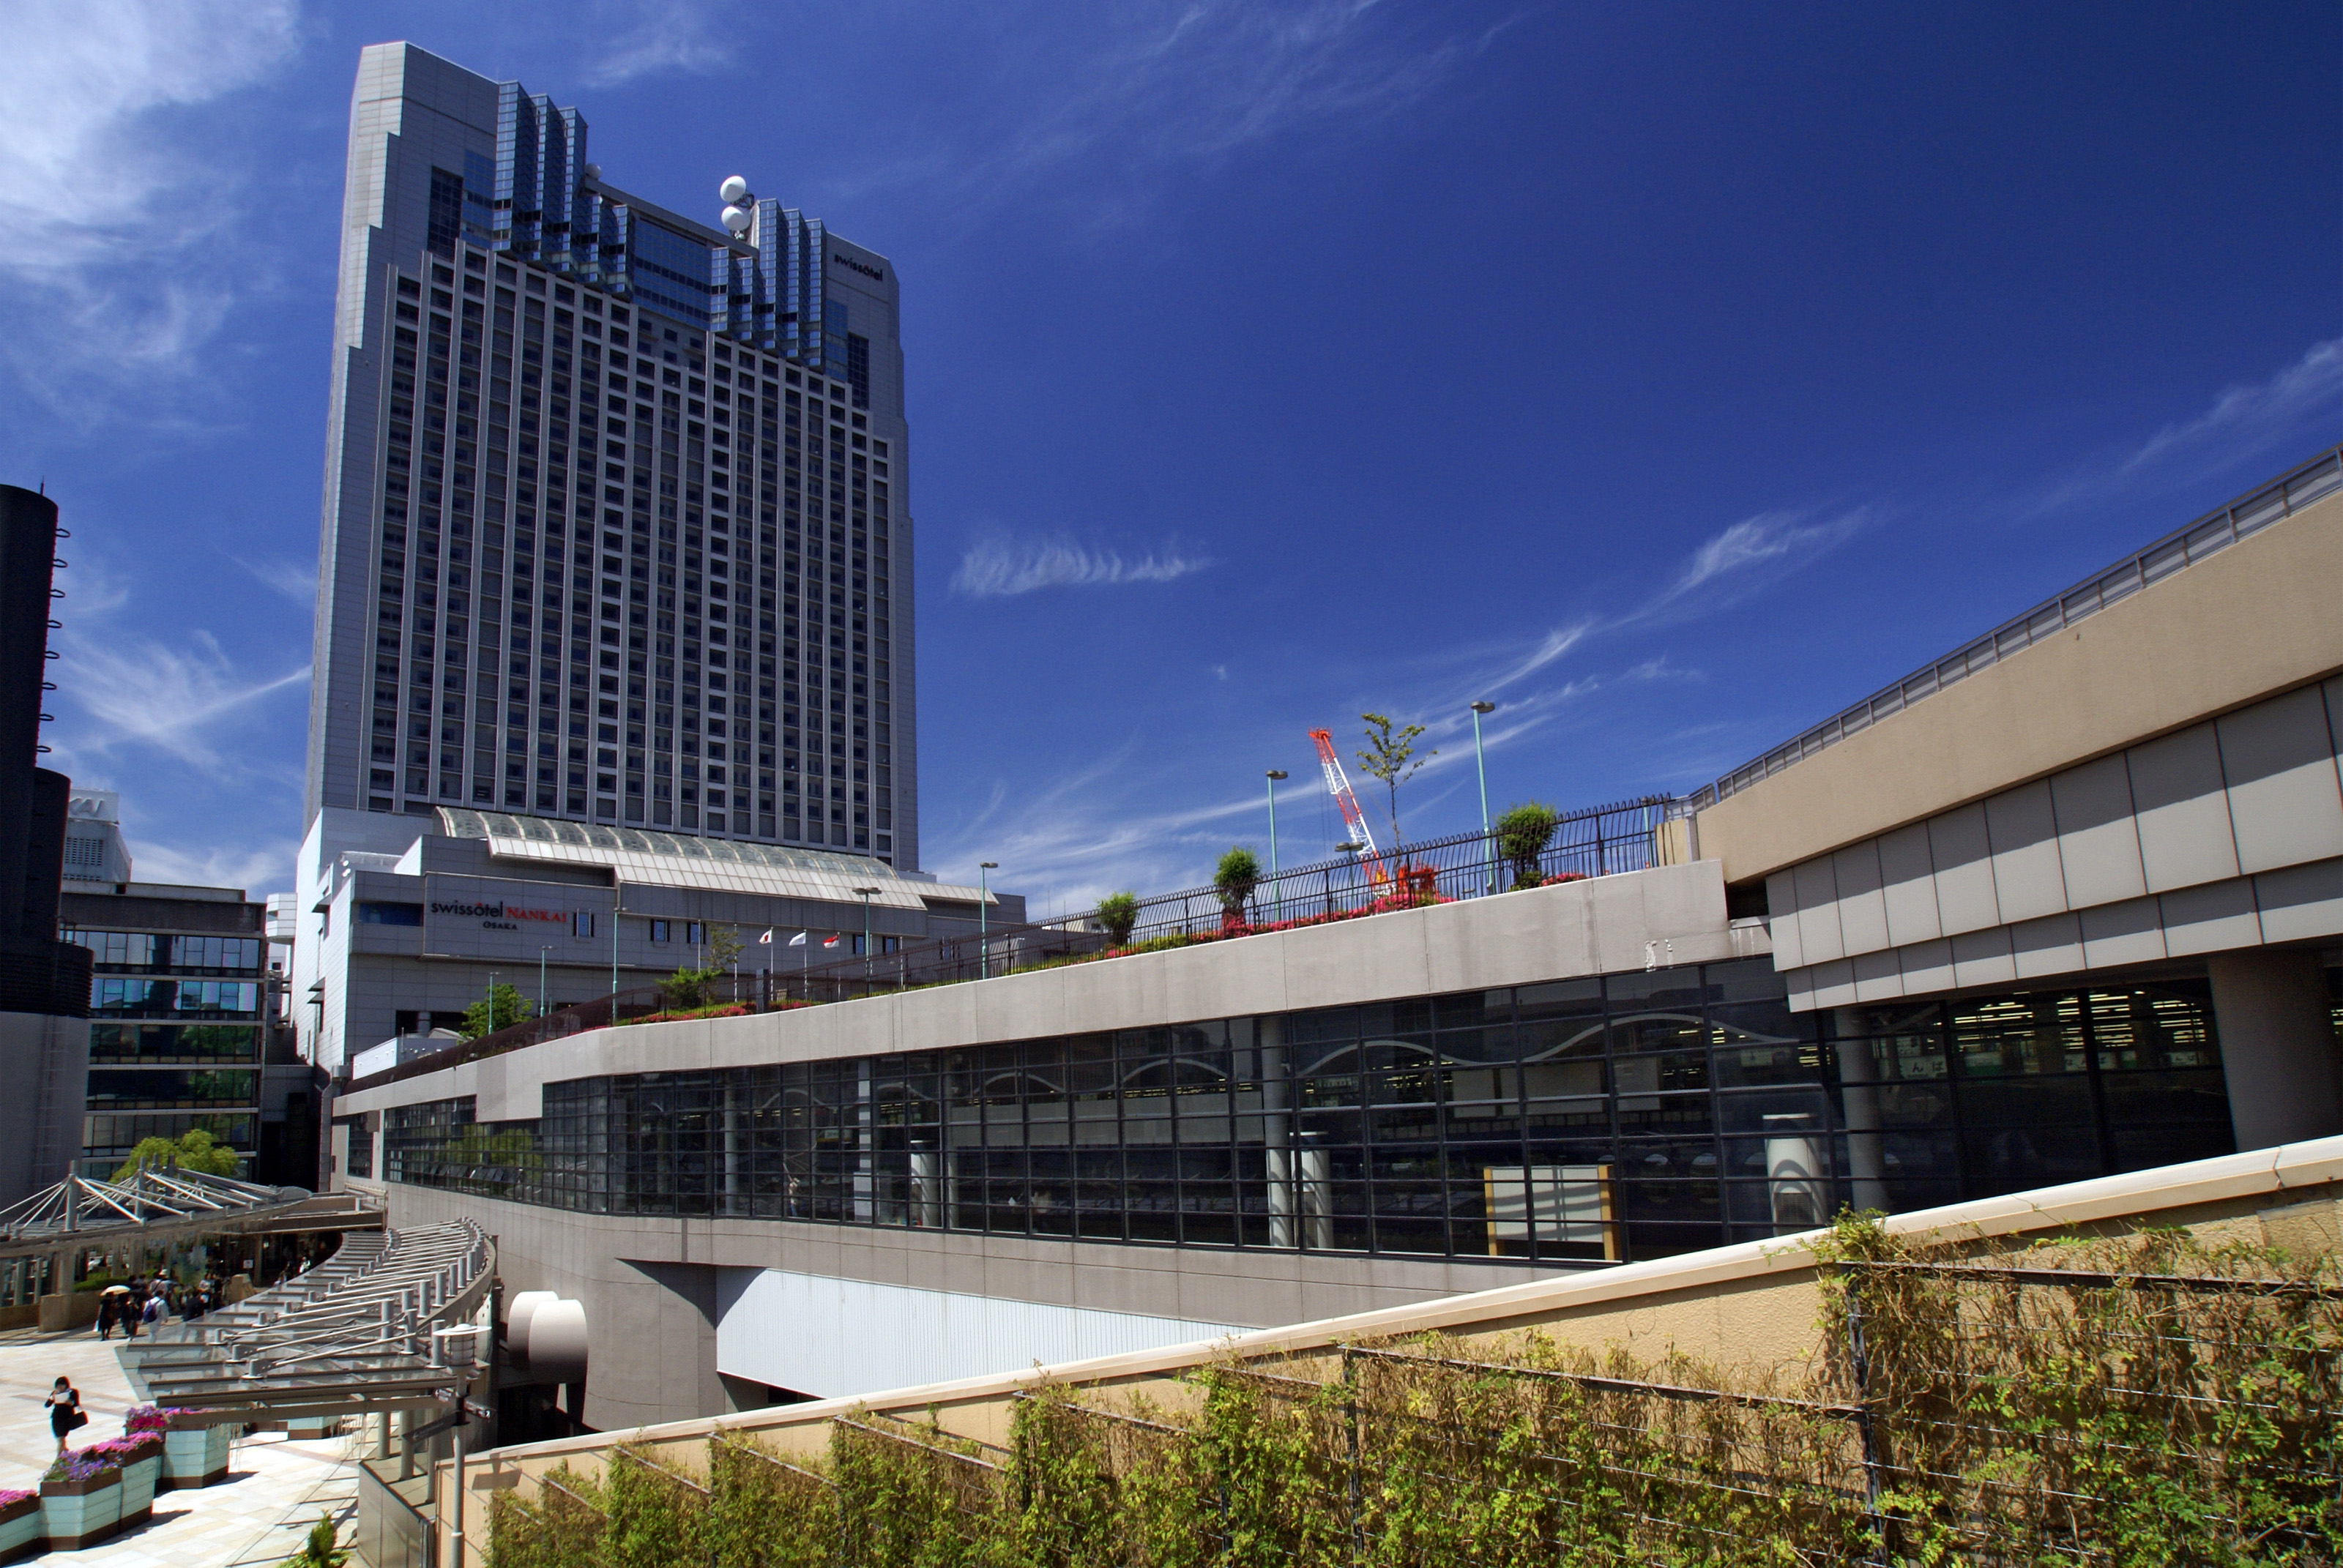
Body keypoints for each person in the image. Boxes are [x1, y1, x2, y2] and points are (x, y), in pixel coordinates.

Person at [43, 1378, 81, 1455]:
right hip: (56, 1418)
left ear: (66, 1385)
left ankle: (59, 1458)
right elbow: (47, 1405)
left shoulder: (72, 1392)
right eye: (58, 1386)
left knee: (61, 1438)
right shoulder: (55, 1393)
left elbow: (76, 1405)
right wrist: (52, 1398)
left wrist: (71, 1403)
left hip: (66, 1418)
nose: (60, 1387)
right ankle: (65, 1451)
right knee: (59, 1438)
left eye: (62, 1385)